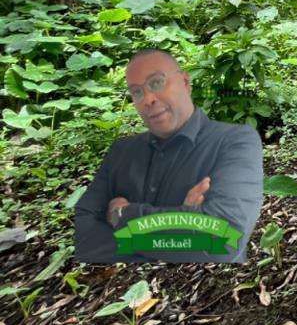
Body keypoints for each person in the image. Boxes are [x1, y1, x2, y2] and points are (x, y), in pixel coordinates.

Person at [74, 48, 264, 263]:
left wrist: (122, 216)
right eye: (137, 92)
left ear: (185, 82)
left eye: (156, 83)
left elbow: (224, 241)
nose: (148, 99)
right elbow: (85, 242)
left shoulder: (234, 141)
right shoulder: (121, 151)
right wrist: (184, 222)